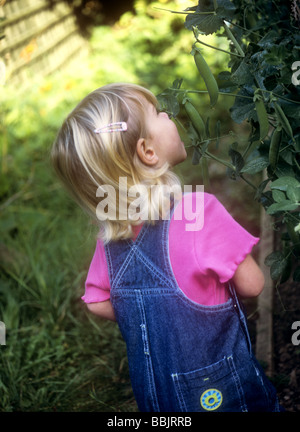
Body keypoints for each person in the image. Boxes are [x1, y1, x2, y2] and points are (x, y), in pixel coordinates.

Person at [51, 82, 282, 412]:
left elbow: (97, 302)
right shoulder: (199, 212)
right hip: (224, 392)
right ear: (148, 151)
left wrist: (148, 315)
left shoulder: (110, 239)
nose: (168, 114)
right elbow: (254, 284)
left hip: (157, 399)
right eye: (158, 113)